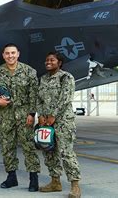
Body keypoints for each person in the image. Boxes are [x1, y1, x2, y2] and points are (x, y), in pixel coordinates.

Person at [0, 43, 41, 191]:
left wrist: (31, 114)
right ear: (3, 55)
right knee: (7, 147)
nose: (10, 56)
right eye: (7, 53)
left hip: (24, 115)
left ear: (18, 54)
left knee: (28, 147)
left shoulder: (29, 71)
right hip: (5, 117)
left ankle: (33, 178)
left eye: (13, 53)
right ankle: (11, 177)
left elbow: (34, 95)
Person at [37, 52, 81, 198]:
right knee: (49, 151)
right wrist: (41, 115)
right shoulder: (43, 79)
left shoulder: (66, 77)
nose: (48, 62)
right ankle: (55, 181)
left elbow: (66, 98)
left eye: (52, 60)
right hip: (47, 122)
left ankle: (75, 186)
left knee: (66, 153)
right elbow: (39, 99)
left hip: (63, 122)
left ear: (59, 62)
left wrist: (53, 115)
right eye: (47, 60)